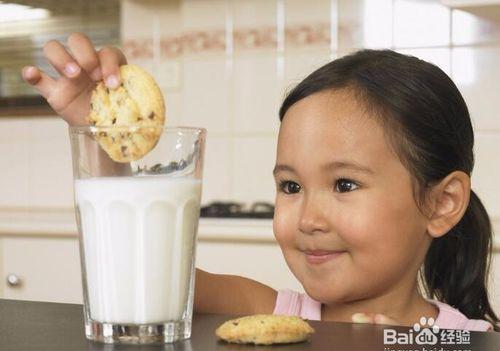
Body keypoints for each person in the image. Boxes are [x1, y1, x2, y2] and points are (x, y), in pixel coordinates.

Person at [22, 33, 498, 332]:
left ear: (441, 203)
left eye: (345, 185)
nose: (308, 219)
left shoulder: (465, 348)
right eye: (290, 187)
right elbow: (138, 274)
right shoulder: (264, 310)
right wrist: (107, 136)